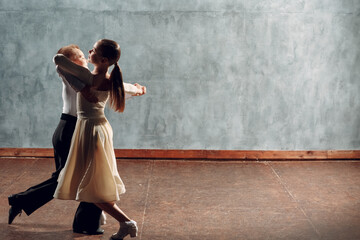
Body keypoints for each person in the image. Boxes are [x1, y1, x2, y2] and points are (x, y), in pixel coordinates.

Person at [53, 39, 145, 240]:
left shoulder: (86, 76)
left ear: (102, 60)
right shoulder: (113, 79)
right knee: (94, 180)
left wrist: (82, 86)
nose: (89, 51)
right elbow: (130, 88)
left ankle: (126, 222)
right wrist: (139, 90)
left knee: (89, 184)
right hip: (100, 128)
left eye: (93, 50)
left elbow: (58, 58)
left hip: (90, 130)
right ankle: (105, 215)